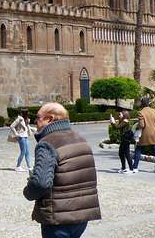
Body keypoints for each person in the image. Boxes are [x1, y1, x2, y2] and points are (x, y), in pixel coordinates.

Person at [23, 102, 100, 238]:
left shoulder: (48, 143)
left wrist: (29, 190)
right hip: (82, 216)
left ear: (50, 119)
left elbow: (41, 184)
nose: (35, 121)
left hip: (58, 218)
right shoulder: (80, 139)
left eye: (38, 117)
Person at [133, 96, 155, 174]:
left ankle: (135, 167)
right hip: (154, 132)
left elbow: (142, 125)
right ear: (149, 103)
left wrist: (136, 126)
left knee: (138, 149)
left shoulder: (141, 112)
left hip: (145, 133)